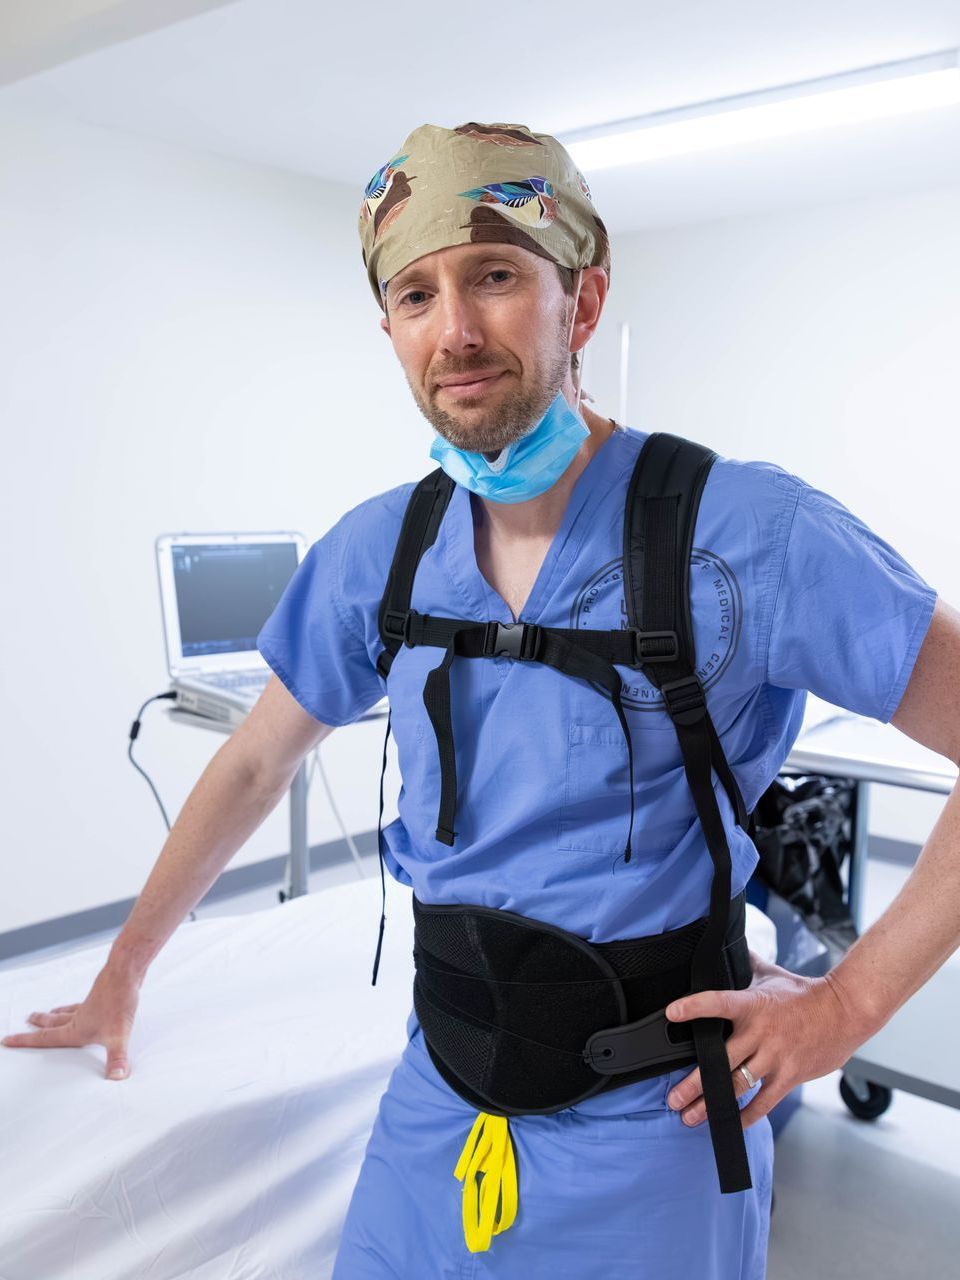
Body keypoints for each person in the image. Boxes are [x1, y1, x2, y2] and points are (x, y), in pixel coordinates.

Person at [4, 121, 959, 1280]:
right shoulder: (381, 553)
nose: (453, 330)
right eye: (415, 294)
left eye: (495, 277)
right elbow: (257, 762)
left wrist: (850, 1004)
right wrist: (123, 972)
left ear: (584, 300)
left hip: (653, 1129)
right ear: (392, 329)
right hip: (441, 1100)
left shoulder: (743, 533)